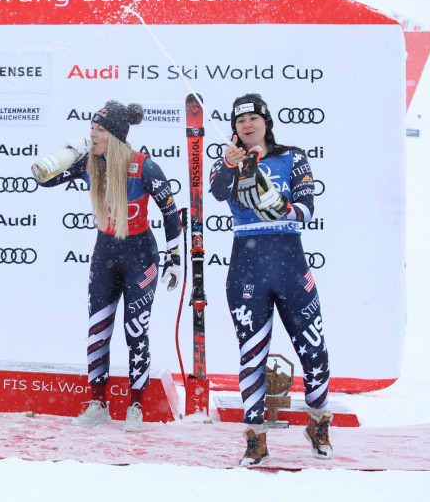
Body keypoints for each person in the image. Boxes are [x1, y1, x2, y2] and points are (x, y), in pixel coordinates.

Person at [39, 100, 182, 432]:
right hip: (105, 254)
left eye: (99, 130)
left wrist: (174, 257)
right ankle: (98, 403)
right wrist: (67, 154)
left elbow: (171, 212)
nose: (92, 135)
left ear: (115, 137)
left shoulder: (143, 166)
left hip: (140, 256)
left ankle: (135, 406)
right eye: (91, 128)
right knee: (97, 331)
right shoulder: (90, 163)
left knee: (136, 331)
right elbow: (43, 180)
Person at [208, 93, 332, 466]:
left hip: (290, 263)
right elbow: (215, 192)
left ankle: (318, 422)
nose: (247, 124)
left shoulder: (292, 157)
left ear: (266, 121)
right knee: (252, 356)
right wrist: (230, 166)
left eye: (253, 118)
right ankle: (255, 436)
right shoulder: (228, 160)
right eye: (240, 120)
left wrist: (283, 206)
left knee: (314, 351)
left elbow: (308, 208)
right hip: (247, 265)